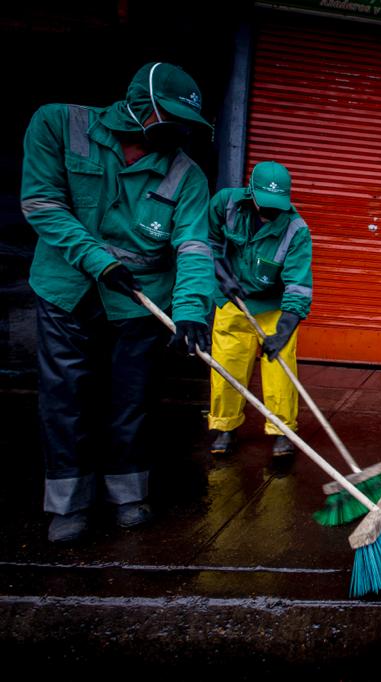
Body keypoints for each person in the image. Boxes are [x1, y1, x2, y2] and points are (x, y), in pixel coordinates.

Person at [21, 62, 215, 542]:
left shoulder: (186, 174)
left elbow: (193, 245)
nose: (179, 131)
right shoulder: (58, 124)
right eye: (170, 118)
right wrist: (95, 258)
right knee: (66, 398)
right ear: (139, 106)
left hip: (139, 302)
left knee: (130, 400)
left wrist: (190, 309)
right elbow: (42, 202)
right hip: (67, 289)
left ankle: (128, 493)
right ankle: (69, 503)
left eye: (185, 123)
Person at [206, 161, 313, 459]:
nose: (271, 212)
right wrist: (222, 273)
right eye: (265, 204)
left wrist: (283, 332)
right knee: (227, 367)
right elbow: (207, 240)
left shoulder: (296, 230)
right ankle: (225, 427)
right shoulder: (225, 203)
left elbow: (298, 285)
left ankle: (282, 432)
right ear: (250, 193)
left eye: (278, 205)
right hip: (232, 299)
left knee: (280, 370)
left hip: (275, 307)